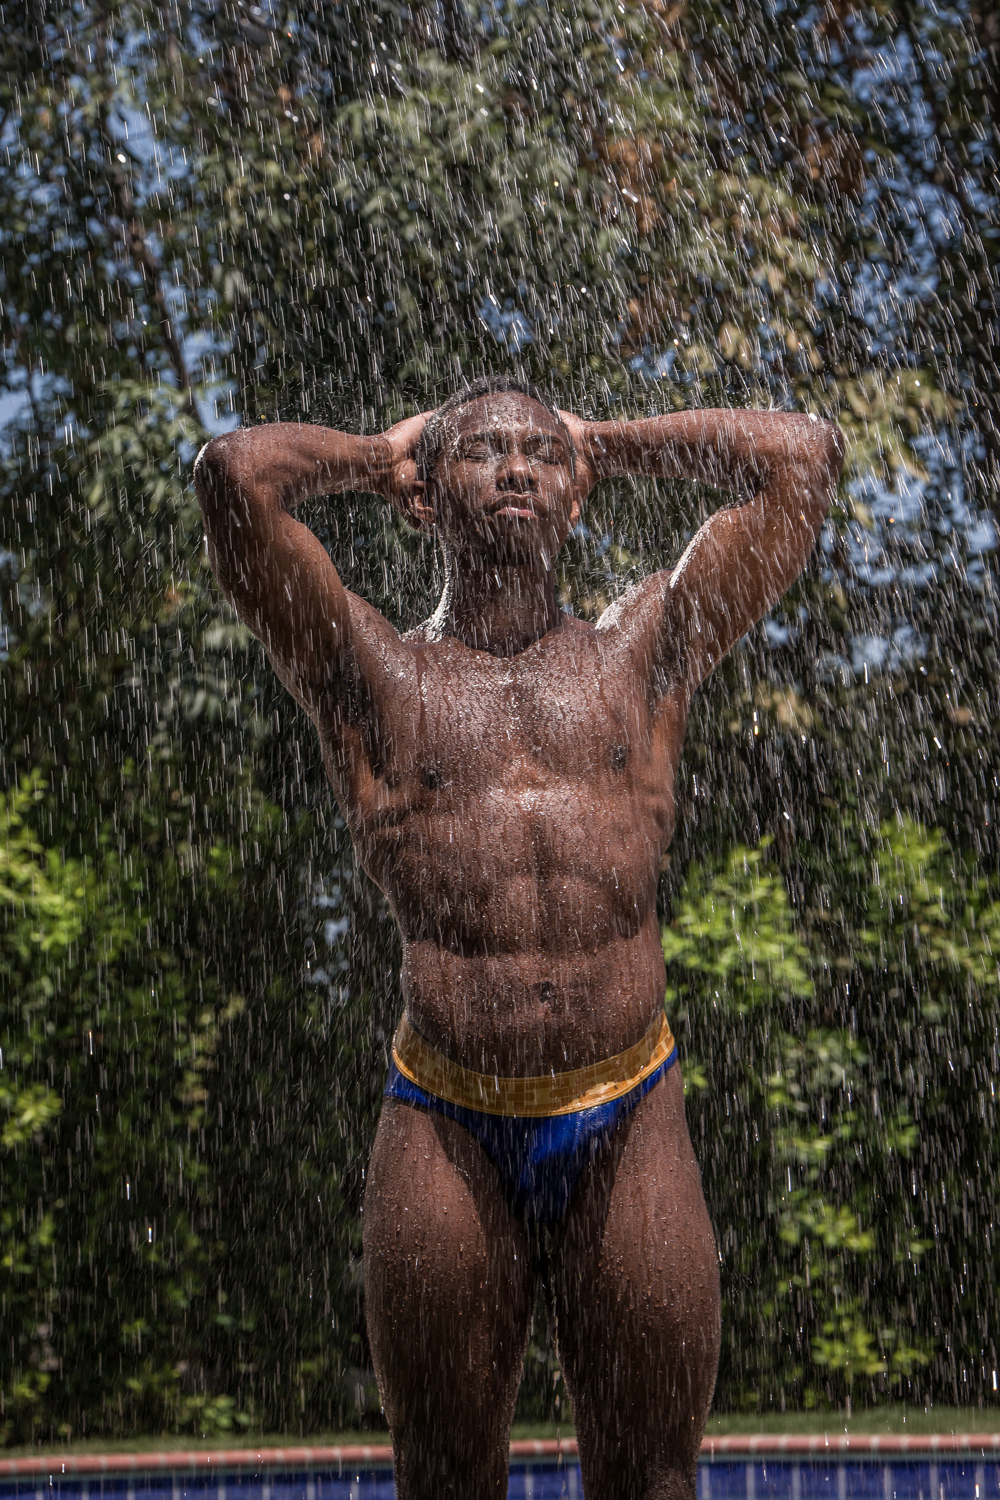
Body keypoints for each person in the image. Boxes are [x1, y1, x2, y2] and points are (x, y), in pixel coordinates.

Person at [194, 379, 843, 1500]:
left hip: (628, 1105)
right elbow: (233, 477)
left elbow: (802, 456)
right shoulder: (374, 670)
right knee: (445, 1477)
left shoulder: (643, 650)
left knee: (651, 1478)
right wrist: (376, 455)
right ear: (425, 495)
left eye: (540, 453)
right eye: (482, 451)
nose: (514, 468)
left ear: (574, 493)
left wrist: (605, 443)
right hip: (445, 1119)